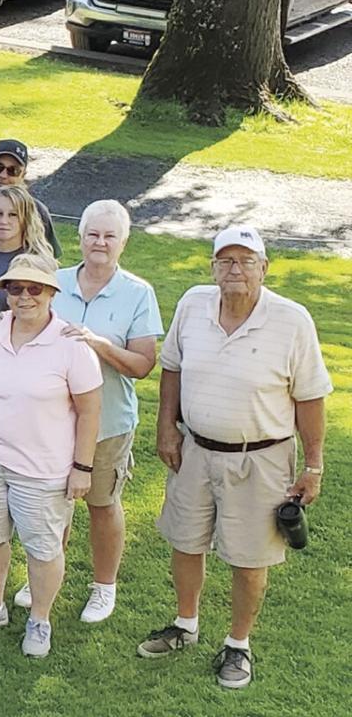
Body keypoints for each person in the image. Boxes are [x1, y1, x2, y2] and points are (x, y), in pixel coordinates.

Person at [142, 225, 330, 689]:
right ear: (212, 267)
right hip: (195, 450)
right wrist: (166, 427)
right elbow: (172, 368)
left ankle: (238, 644)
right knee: (185, 541)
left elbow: (310, 398)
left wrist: (313, 465)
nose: (235, 270)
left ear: (264, 268)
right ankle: (186, 624)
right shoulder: (193, 303)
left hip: (260, 458)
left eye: (246, 261)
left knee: (249, 557)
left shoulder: (292, 320)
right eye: (225, 260)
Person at [0, 254, 102, 658]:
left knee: (43, 548)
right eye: (16, 288)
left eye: (35, 288)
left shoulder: (71, 345)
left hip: (42, 469)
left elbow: (89, 412)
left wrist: (82, 468)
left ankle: (40, 620)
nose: (25, 296)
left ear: (51, 293)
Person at [41, 200, 161, 623]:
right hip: (51, 422)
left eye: (110, 236)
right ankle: (44, 577)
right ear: (80, 238)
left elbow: (143, 365)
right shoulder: (53, 283)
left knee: (102, 503)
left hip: (108, 423)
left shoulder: (137, 293)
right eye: (93, 234)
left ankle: (103, 587)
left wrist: (100, 345)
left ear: (123, 243)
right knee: (51, 505)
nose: (100, 242)